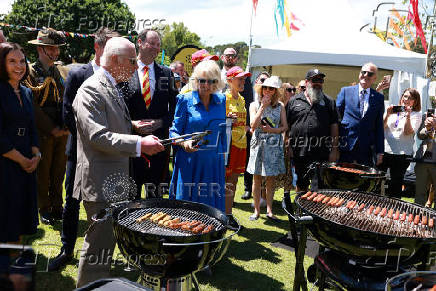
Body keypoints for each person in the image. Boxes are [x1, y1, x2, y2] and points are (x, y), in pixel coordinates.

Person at [73, 37, 164, 287]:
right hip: (100, 184)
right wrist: (138, 144)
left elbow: (113, 124)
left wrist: (137, 144)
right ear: (115, 60)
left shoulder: (110, 84)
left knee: (105, 248)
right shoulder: (92, 88)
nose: (137, 66)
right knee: (97, 251)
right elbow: (97, 135)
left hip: (112, 181)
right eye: (132, 60)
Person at [47, 27, 119, 272]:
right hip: (78, 151)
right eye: (112, 47)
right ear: (98, 47)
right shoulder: (78, 74)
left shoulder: (117, 77)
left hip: (108, 154)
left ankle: (99, 251)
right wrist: (92, 143)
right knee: (72, 200)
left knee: (104, 202)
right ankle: (67, 249)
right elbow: (68, 113)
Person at [123, 29, 178, 198]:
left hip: (159, 145)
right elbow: (117, 108)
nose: (156, 48)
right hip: (132, 143)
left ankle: (154, 224)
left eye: (158, 45)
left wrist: (160, 123)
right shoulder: (126, 70)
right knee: (131, 194)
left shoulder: (167, 73)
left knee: (156, 195)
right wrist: (133, 125)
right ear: (139, 43)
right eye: (152, 43)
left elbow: (175, 109)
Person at [24, 28, 69, 225]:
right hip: (42, 131)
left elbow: (65, 99)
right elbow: (32, 106)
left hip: (61, 130)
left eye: (57, 49)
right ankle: (44, 207)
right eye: (52, 48)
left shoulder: (58, 71)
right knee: (43, 172)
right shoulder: (30, 72)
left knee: (59, 170)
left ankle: (58, 206)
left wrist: (66, 125)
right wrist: (51, 128)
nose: (56, 52)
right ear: (41, 49)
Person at [169, 60, 227, 212]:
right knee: (187, 211)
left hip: (214, 165)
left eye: (211, 81)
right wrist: (184, 142)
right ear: (195, 80)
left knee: (211, 212)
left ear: (217, 82)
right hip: (190, 163)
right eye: (202, 80)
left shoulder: (222, 101)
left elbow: (221, 132)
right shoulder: (184, 100)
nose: (206, 85)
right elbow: (173, 132)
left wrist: (223, 157)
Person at [0, 42, 40, 244]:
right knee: (6, 210)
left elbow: (32, 127)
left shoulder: (26, 92)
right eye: (12, 61)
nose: (19, 66)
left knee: (21, 208)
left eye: (22, 61)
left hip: (26, 159)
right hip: (6, 161)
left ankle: (14, 250)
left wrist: (36, 155)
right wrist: (21, 159)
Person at [287, 69, 339, 192]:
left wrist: (334, 149)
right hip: (299, 150)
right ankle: (300, 209)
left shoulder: (329, 102)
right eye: (314, 80)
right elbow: (287, 125)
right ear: (307, 82)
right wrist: (288, 146)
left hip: (321, 151)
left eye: (320, 80)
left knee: (319, 185)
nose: (318, 83)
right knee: (301, 182)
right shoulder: (294, 101)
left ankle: (313, 209)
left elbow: (334, 126)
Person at [247, 76, 287, 221]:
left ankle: (269, 210)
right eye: (265, 87)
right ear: (261, 89)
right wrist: (263, 107)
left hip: (273, 144)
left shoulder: (280, 106)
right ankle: (256, 211)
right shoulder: (254, 104)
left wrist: (272, 130)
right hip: (257, 144)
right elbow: (252, 125)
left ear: (275, 91)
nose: (268, 91)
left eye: (271, 88)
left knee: (271, 179)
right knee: (256, 178)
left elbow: (285, 127)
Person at [336, 62, 385, 167]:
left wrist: (380, 151)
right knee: (341, 180)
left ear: (374, 78)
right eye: (364, 72)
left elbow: (379, 126)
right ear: (359, 74)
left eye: (370, 74)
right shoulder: (345, 91)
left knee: (361, 181)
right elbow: (336, 118)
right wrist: (333, 145)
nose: (366, 75)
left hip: (366, 149)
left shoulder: (378, 98)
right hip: (345, 146)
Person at [379, 88, 422, 198]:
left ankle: (393, 211)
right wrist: (387, 115)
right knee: (378, 180)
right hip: (385, 151)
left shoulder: (416, 114)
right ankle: (376, 206)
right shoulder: (393, 110)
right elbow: (381, 128)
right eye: (405, 96)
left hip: (402, 154)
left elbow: (408, 132)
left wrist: (407, 115)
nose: (407, 99)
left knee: (396, 184)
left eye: (411, 98)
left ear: (415, 101)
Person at [224, 66, 251, 229]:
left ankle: (228, 214)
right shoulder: (223, 98)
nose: (243, 82)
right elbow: (216, 122)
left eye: (244, 79)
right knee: (224, 181)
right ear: (230, 80)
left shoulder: (241, 99)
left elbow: (243, 123)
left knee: (233, 182)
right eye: (240, 79)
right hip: (228, 146)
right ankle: (221, 214)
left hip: (241, 145)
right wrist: (226, 118)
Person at [243, 71, 270, 202]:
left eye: (267, 81)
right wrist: (247, 127)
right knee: (249, 161)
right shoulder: (249, 93)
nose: (264, 83)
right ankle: (248, 189)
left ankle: (263, 195)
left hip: (265, 136)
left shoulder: (272, 97)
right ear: (256, 81)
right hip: (247, 130)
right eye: (262, 80)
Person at [275, 82, 296, 196]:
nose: (292, 92)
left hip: (288, 141)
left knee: (287, 170)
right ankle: (265, 198)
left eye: (294, 90)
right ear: (283, 90)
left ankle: (286, 196)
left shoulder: (294, 105)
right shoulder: (277, 105)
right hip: (275, 141)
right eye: (289, 90)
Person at [414, 110, 436, 206]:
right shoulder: (427, 115)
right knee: (420, 194)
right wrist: (428, 128)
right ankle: (417, 218)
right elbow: (420, 135)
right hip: (424, 160)